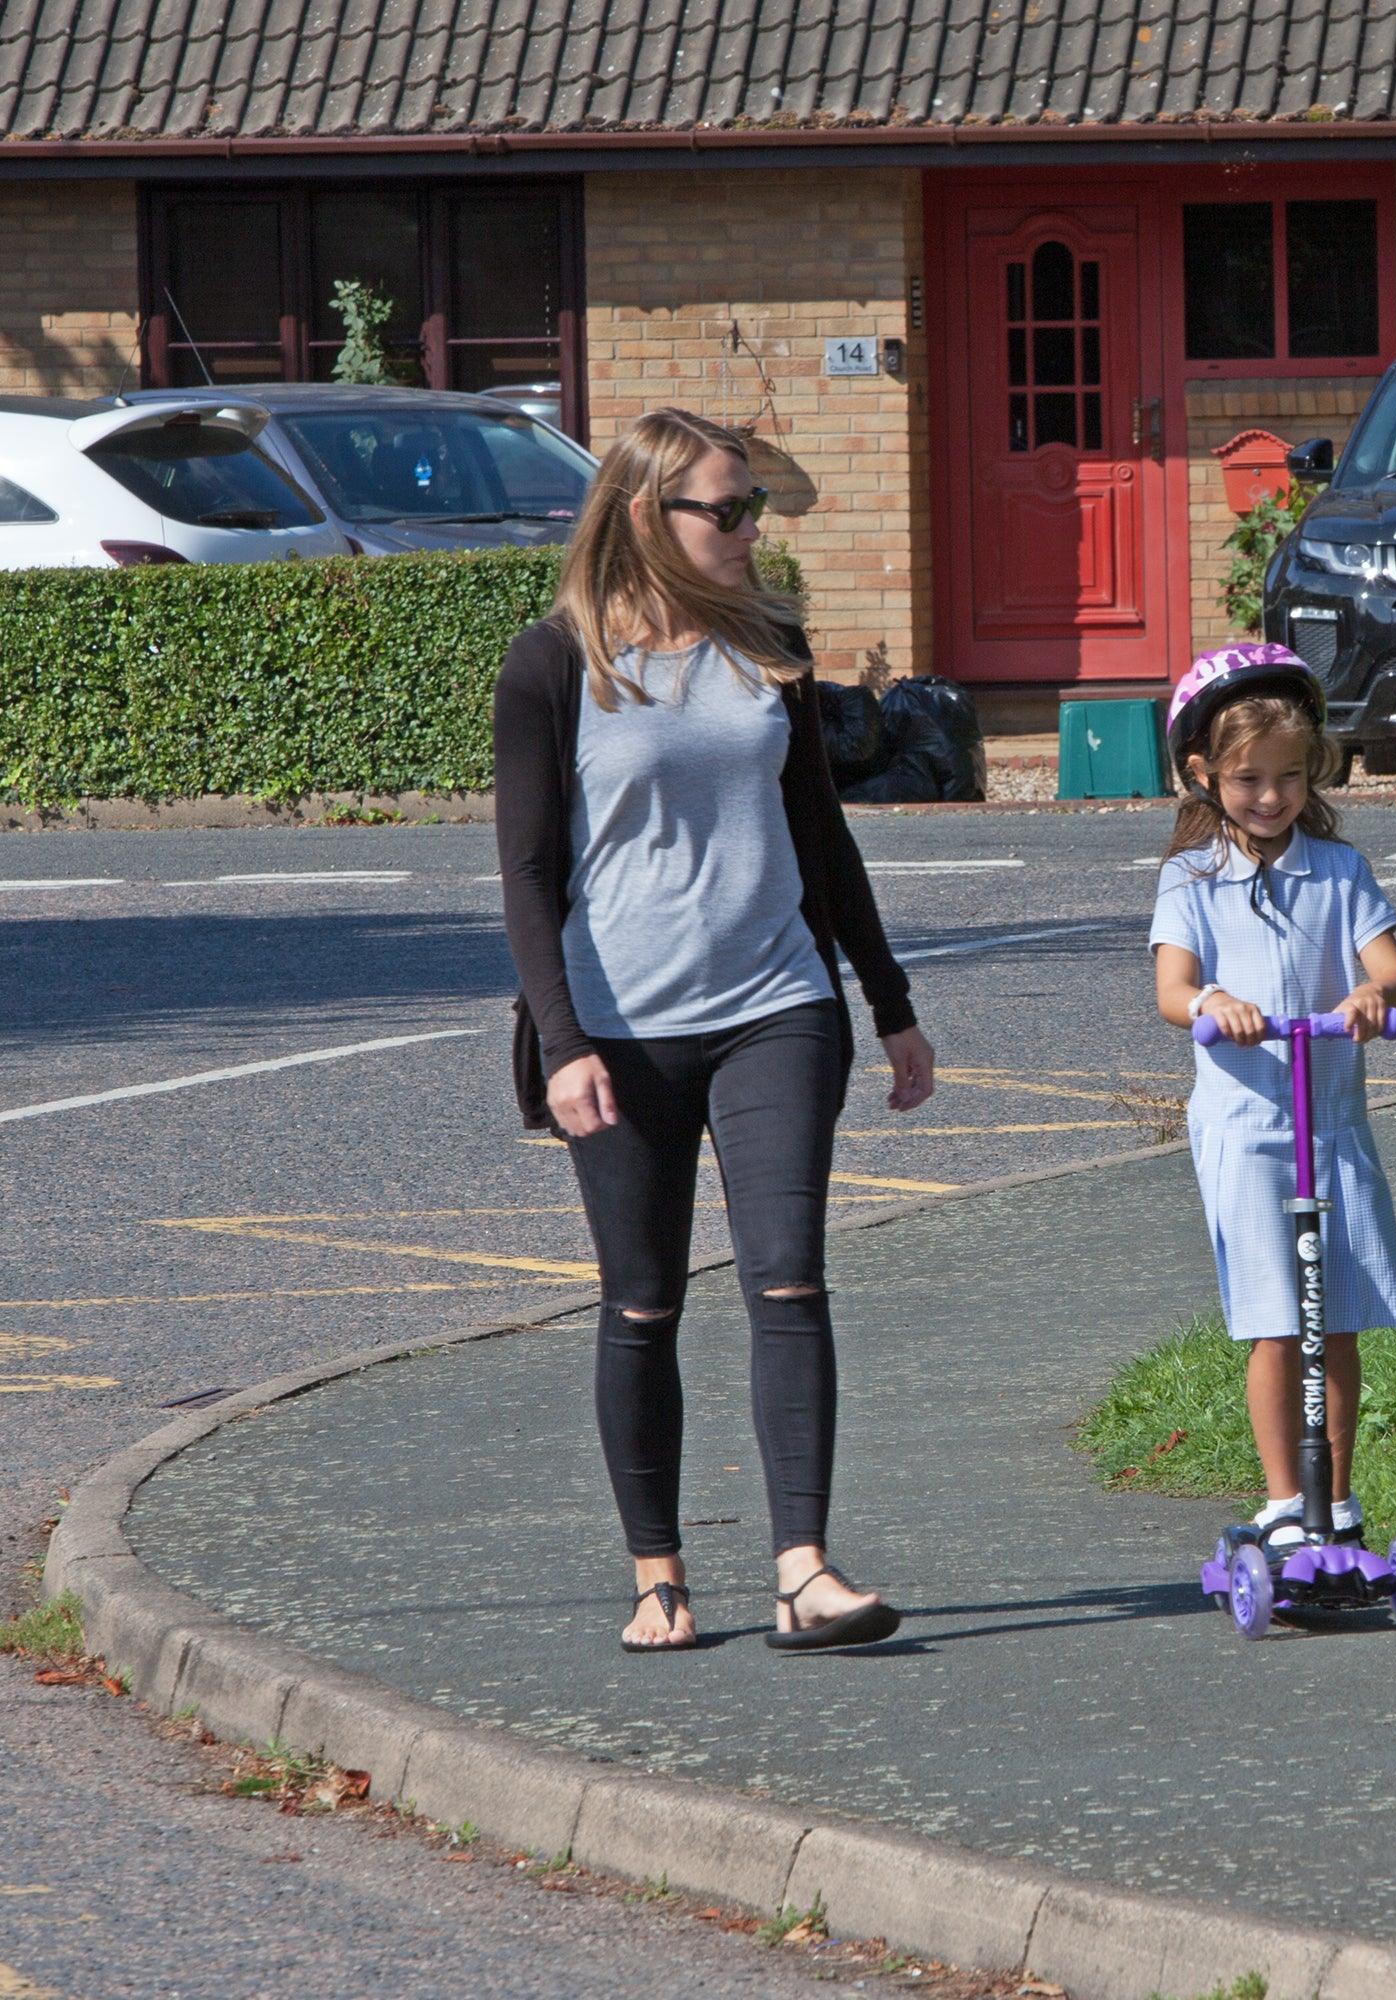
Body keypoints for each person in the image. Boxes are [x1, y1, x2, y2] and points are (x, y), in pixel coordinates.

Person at [493, 407, 936, 1654]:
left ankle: (802, 1567)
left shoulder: (771, 649)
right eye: (724, 509)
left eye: (752, 509)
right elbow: (527, 876)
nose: (748, 530)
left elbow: (821, 839)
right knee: (641, 1303)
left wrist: (887, 1001)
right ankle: (660, 1576)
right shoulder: (552, 665)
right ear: (646, 515)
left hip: (774, 1007)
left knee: (787, 1274)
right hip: (620, 1028)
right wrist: (563, 1038)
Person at [1147, 643, 1396, 1553]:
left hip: (1330, 1123)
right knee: (1276, 1318)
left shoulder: (1339, 872)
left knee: (1334, 1318)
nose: (1271, 797)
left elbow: (1393, 972)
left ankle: (1333, 1500)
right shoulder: (1190, 881)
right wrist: (1211, 1003)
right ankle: (1280, 1498)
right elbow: (1171, 989)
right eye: (1249, 779)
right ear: (1204, 774)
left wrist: (1371, 998)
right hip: (1247, 1130)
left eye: (1289, 779)